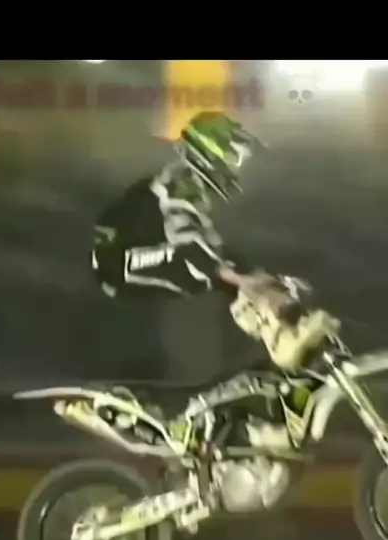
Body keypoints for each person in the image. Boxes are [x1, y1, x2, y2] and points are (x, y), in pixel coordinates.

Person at [91, 111, 337, 444]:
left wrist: (271, 284)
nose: (240, 170)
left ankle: (274, 346)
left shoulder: (197, 189)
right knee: (206, 261)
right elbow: (192, 247)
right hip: (118, 261)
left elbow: (220, 254)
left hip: (144, 253)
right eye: (237, 160)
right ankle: (274, 341)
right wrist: (249, 284)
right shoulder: (182, 180)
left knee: (237, 268)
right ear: (212, 154)